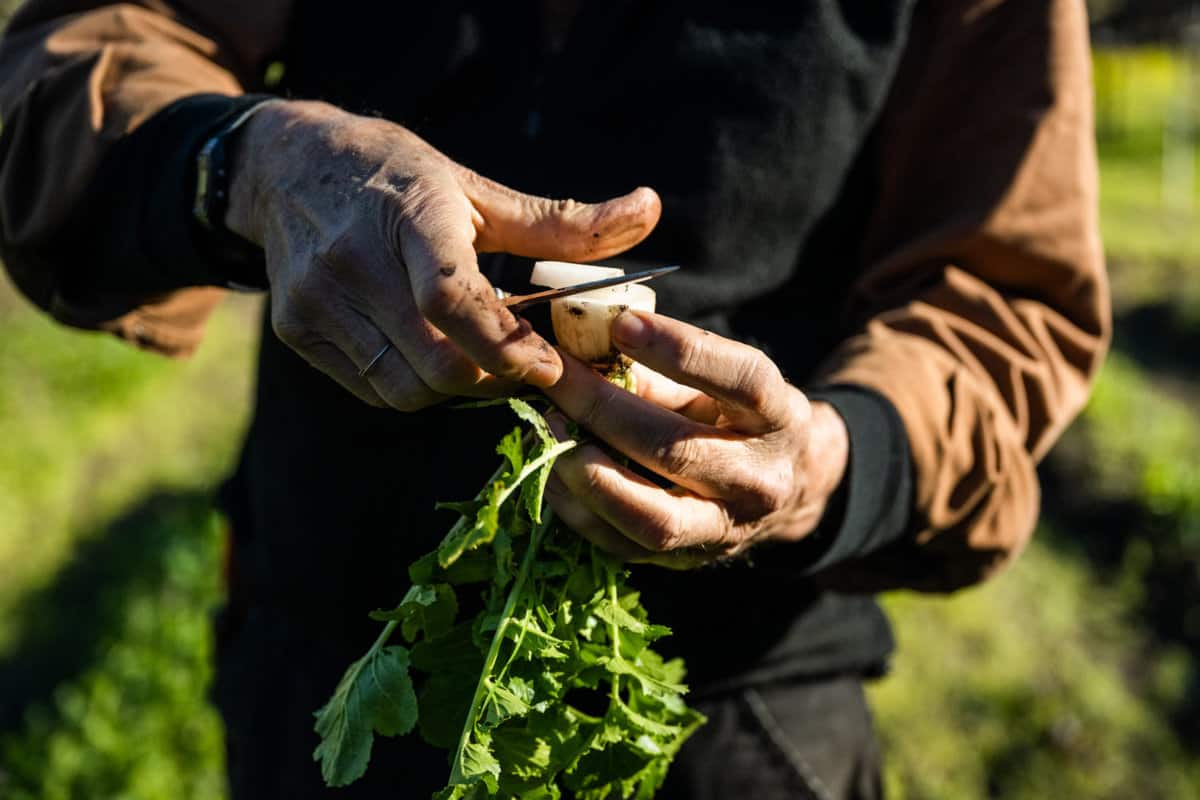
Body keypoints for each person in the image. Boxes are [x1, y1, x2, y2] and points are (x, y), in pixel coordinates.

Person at [0, 1, 1109, 798]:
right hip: (338, 665)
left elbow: (1002, 297)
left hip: (724, 713)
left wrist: (831, 454)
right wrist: (238, 160)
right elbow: (73, 57)